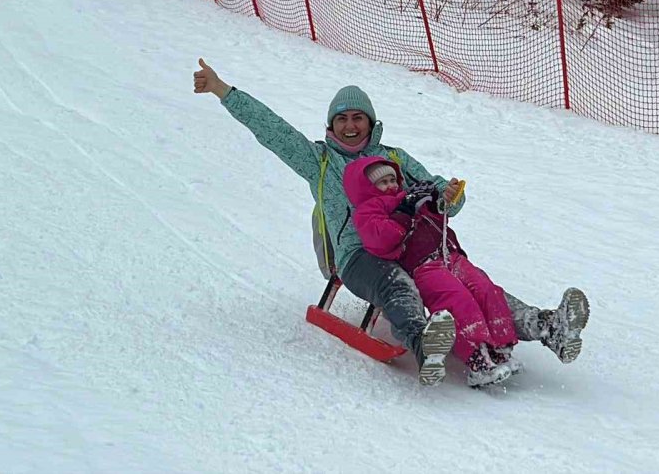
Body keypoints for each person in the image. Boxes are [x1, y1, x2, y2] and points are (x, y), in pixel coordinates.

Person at [192, 58, 590, 386]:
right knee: (395, 283)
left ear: (371, 122)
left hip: (410, 248)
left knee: (472, 282)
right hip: (358, 256)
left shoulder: (393, 158)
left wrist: (452, 194)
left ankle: (546, 325)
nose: (350, 126)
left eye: (358, 118)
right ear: (331, 127)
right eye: (342, 119)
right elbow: (273, 132)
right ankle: (425, 345)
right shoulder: (320, 162)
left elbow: (435, 189)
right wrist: (223, 90)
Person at [344, 155, 520, 387]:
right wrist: (405, 211)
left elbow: (438, 221)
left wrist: (434, 201)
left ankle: (500, 348)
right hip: (422, 265)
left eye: (392, 179)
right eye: (382, 182)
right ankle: (477, 359)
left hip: (449, 254)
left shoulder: (406, 196)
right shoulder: (368, 211)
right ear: (366, 187)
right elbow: (381, 240)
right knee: (457, 300)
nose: (391, 185)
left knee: (486, 289)